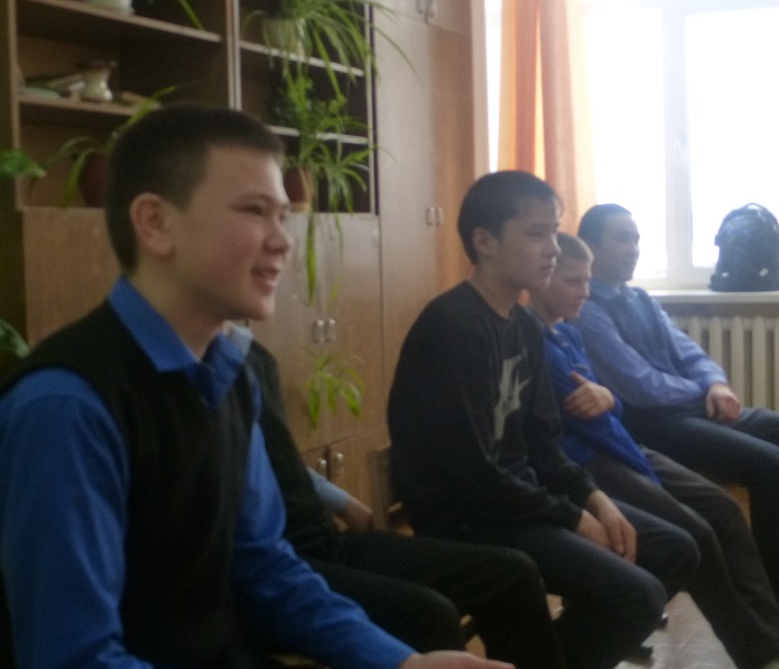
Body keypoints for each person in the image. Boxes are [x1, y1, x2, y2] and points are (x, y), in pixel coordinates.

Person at [0, 103, 509, 669]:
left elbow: (265, 567)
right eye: (254, 211)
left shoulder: (231, 376)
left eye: (283, 216)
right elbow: (74, 658)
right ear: (155, 223)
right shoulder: (67, 404)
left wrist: (401, 662)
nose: (283, 241)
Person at [387, 170, 699, 669]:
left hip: (518, 498)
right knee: (636, 596)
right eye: (536, 234)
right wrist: (572, 518)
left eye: (554, 232)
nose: (553, 248)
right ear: (484, 242)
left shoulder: (525, 325)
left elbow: (543, 444)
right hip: (468, 516)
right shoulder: (452, 328)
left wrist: (594, 499)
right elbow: (473, 474)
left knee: (675, 548)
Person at [575, 203, 779, 667]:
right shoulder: (587, 309)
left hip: (698, 406)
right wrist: (701, 390)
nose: (634, 249)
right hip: (656, 424)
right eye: (622, 239)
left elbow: (689, 352)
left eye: (637, 238)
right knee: (771, 466)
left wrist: (717, 384)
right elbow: (638, 386)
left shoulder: (640, 298)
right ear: (591, 247)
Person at [528, 232, 779, 669]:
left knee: (724, 510)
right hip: (594, 458)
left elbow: (612, 404)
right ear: (542, 278)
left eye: (586, 281)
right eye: (572, 281)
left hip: (624, 445)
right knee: (697, 533)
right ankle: (760, 654)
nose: (584, 292)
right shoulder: (535, 339)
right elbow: (581, 421)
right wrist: (616, 403)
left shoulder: (569, 331)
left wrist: (610, 398)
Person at [250, 338, 567, 667]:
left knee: (512, 573)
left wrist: (341, 500)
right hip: (281, 558)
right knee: (430, 615)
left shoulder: (250, 358)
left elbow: (272, 457)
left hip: (325, 539)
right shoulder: (220, 378)